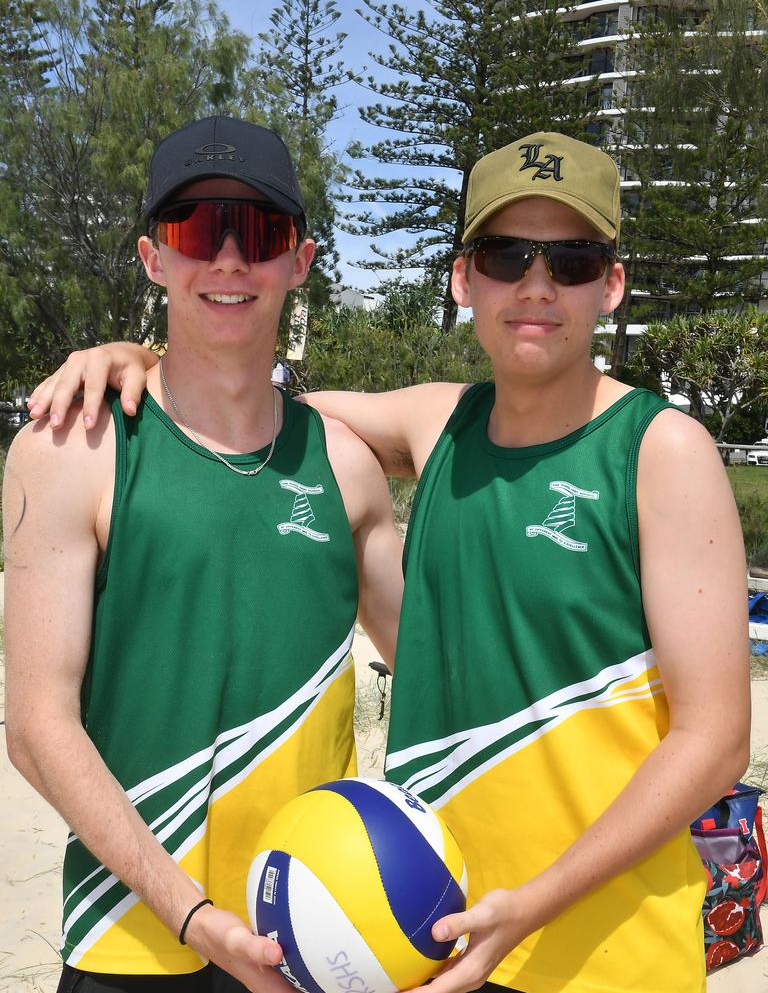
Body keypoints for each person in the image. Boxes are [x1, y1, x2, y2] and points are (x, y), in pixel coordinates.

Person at [25, 132, 750, 993]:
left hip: (602, 949)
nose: (537, 285)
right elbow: (247, 404)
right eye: (508, 254)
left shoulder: (662, 449)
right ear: (463, 277)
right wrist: (139, 359)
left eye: (574, 259)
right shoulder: (434, 426)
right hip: (414, 935)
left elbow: (718, 740)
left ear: (613, 283)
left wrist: (536, 900)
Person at [3, 116, 403, 993]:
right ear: (154, 257)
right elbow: (36, 730)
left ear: (300, 261)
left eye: (258, 231)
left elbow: (439, 678)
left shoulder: (346, 466)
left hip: (311, 927)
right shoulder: (72, 449)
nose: (227, 259)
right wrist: (192, 915)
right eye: (194, 229)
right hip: (130, 937)